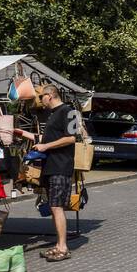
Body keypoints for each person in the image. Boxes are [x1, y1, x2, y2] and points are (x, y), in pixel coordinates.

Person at [34, 85, 77, 261]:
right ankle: (59, 245)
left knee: (57, 206)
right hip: (51, 166)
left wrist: (46, 146)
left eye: (41, 96)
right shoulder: (52, 114)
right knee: (53, 206)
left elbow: (71, 137)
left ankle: (63, 247)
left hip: (61, 165)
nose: (40, 100)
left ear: (50, 95)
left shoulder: (69, 111)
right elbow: (48, 140)